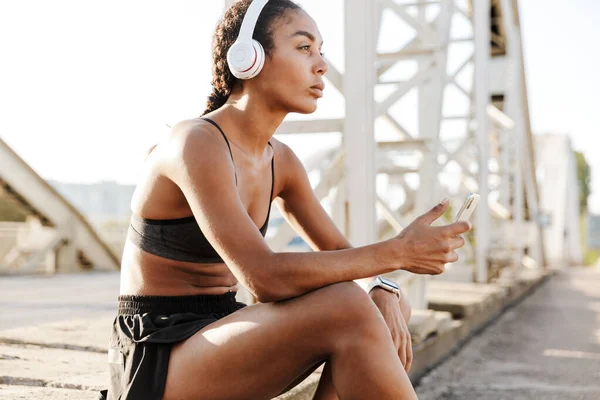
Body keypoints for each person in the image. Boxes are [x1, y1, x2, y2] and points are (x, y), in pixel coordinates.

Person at [100, 0, 471, 399]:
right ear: (249, 58)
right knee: (348, 306)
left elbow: (339, 252)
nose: (322, 64)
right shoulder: (197, 143)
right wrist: (396, 253)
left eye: (321, 50)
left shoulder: (282, 162)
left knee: (380, 306)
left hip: (220, 332)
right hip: (156, 353)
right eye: (304, 47)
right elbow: (264, 277)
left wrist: (383, 285)